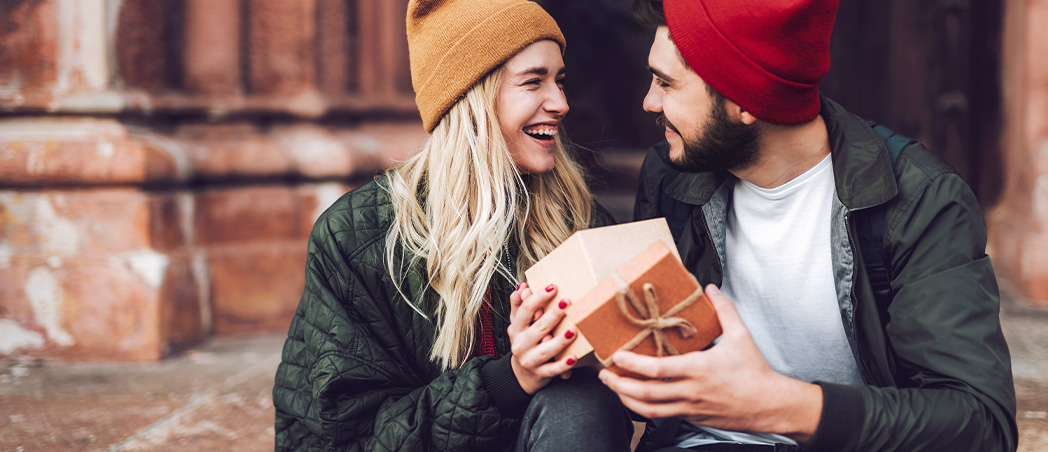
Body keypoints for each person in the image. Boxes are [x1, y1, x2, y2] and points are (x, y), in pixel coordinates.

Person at [596, 0, 1019, 451]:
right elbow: (649, 356)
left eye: (666, 82)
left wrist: (779, 406)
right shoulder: (672, 172)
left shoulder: (920, 200)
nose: (649, 101)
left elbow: (981, 424)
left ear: (743, 98)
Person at [271, 0, 633, 450]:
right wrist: (513, 378)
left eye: (559, 80)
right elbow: (352, 437)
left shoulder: (577, 219)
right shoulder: (357, 235)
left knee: (581, 399)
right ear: (471, 97)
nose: (561, 103)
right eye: (533, 81)